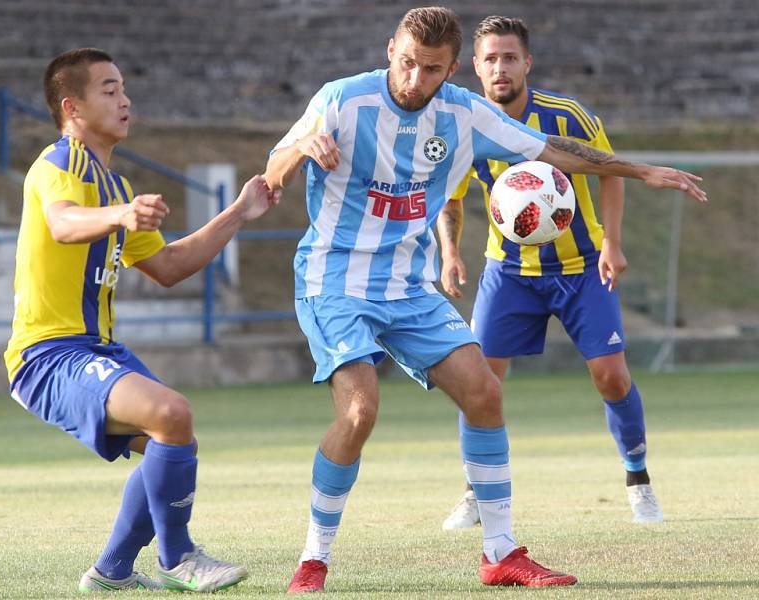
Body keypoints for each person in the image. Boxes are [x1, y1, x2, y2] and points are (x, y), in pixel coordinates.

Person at [264, 7, 704, 592]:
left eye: (431, 70)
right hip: (333, 280)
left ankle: (500, 553)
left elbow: (553, 151)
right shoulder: (342, 99)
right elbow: (272, 171)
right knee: (359, 410)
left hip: (407, 285)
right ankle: (312, 561)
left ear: (451, 71)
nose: (415, 80)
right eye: (406, 64)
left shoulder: (462, 113)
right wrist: (302, 149)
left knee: (484, 392)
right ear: (389, 49)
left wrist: (640, 170)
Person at [3, 48, 280, 593]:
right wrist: (121, 216)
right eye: (108, 90)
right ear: (72, 107)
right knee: (171, 413)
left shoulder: (115, 185)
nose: (124, 98)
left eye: (124, 87)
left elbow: (170, 266)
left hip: (94, 348)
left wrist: (239, 213)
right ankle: (178, 559)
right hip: (47, 353)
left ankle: (112, 572)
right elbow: (62, 223)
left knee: (173, 440)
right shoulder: (58, 163)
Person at [438, 16, 664, 532]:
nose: (500, 68)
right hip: (509, 273)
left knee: (610, 376)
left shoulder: (568, 117)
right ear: (475, 66)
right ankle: (476, 490)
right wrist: (450, 252)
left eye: (509, 57)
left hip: (583, 269)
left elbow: (612, 171)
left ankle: (639, 481)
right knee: (479, 381)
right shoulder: (465, 126)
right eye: (490, 59)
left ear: (527, 63)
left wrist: (611, 240)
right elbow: (448, 200)